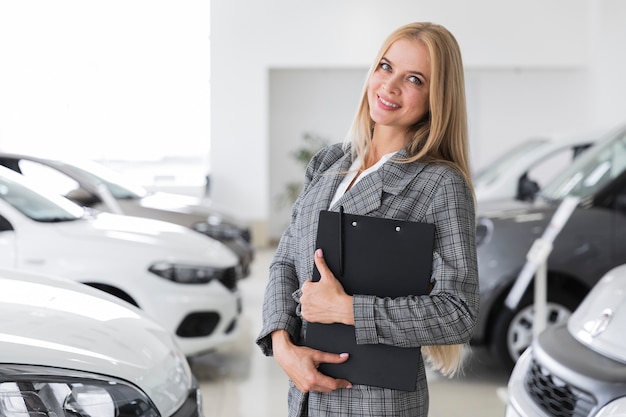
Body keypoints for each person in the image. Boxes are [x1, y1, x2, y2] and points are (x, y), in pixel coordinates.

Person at [256, 21, 479, 417]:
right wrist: (280, 344)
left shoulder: (439, 184)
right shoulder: (328, 163)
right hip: (305, 396)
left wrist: (348, 310)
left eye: (414, 79)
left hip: (376, 404)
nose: (389, 86)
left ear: (437, 97)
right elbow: (286, 261)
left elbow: (458, 312)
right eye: (385, 67)